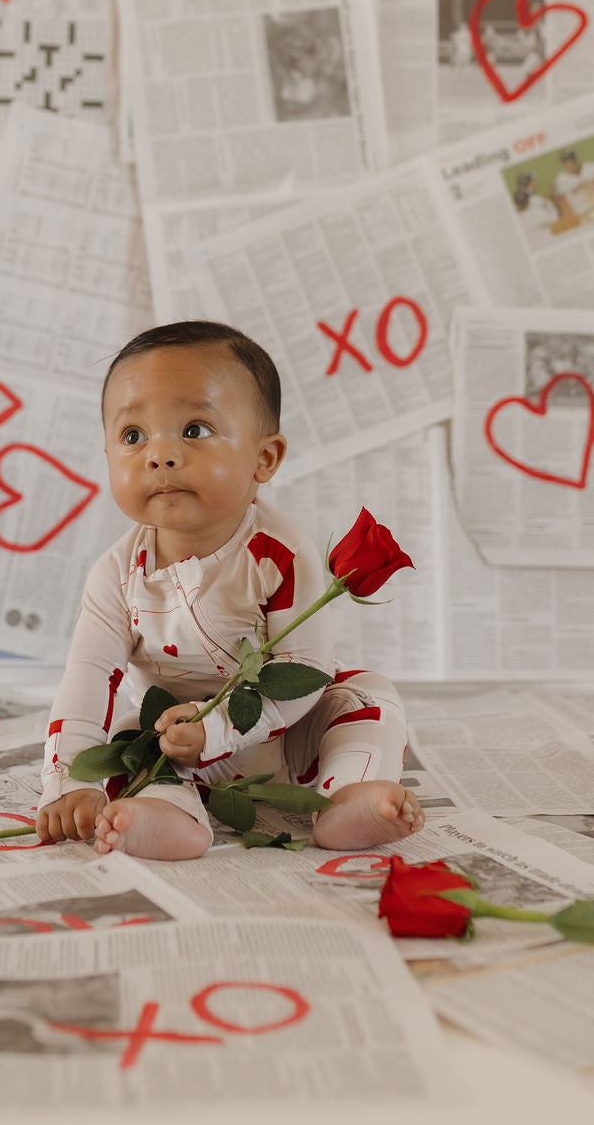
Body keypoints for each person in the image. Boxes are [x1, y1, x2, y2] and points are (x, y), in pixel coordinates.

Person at [36, 320, 422, 862]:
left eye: (194, 430)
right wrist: (68, 779)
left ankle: (347, 792)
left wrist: (218, 729)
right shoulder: (116, 573)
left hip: (286, 732)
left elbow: (303, 673)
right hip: (172, 738)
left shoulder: (282, 553)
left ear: (265, 459)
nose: (160, 455)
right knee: (130, 741)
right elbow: (89, 673)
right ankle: (167, 815)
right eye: (133, 436)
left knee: (366, 696)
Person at [551, 148, 594, 224]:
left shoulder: (591, 167)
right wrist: (554, 194)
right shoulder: (561, 179)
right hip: (584, 217)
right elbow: (557, 196)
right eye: (564, 160)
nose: (566, 162)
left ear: (574, 158)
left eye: (568, 159)